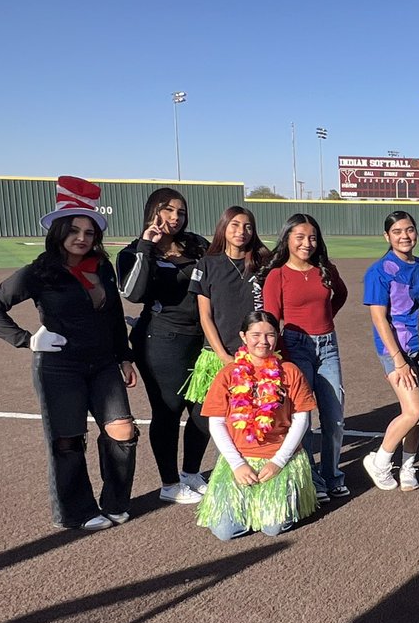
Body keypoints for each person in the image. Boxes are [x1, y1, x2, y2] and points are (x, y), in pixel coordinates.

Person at [0, 177, 138, 531]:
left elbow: (113, 316)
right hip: (60, 368)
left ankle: (114, 501)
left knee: (123, 432)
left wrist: (124, 356)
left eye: (89, 232)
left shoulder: (102, 267)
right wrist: (26, 339)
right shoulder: (41, 270)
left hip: (103, 365)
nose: (82, 238)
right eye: (74, 230)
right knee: (68, 441)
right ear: (59, 232)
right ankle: (76, 511)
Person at [117, 186, 210, 505]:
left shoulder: (196, 244)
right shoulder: (132, 251)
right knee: (168, 411)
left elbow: (219, 276)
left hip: (202, 339)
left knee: (204, 411)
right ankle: (169, 483)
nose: (175, 216)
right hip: (161, 341)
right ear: (153, 211)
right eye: (168, 209)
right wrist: (147, 245)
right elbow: (133, 293)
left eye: (181, 212)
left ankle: (191, 473)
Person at [196, 311, 318, 539]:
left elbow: (302, 418)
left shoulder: (289, 371)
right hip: (240, 459)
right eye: (256, 335)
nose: (263, 341)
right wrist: (237, 464)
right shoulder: (228, 374)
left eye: (270, 335)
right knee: (225, 531)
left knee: (272, 527)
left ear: (277, 336)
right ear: (243, 336)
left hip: (280, 457)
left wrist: (278, 462)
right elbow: (217, 422)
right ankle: (251, 507)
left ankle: (272, 505)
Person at [262, 214, 349, 502]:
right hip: (295, 347)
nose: (306, 243)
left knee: (334, 417)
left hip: (328, 345)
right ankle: (314, 479)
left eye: (312, 237)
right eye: (299, 237)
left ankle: (332, 475)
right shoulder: (278, 275)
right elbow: (272, 320)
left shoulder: (325, 269)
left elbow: (340, 295)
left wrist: (324, 321)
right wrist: (278, 357)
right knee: (303, 416)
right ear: (287, 238)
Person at [362, 211, 419, 492]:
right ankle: (380, 460)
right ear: (387, 236)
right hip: (395, 349)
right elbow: (379, 318)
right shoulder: (379, 271)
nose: (405, 236)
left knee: (416, 413)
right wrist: (399, 361)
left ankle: (408, 466)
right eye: (397, 231)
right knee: (413, 410)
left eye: (409, 230)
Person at [187, 205, 270, 401]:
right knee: (208, 421)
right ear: (223, 226)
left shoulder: (264, 265)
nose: (241, 231)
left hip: (256, 354)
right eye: (235, 225)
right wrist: (225, 358)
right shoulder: (207, 264)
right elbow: (205, 316)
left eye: (248, 227)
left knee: (253, 419)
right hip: (217, 355)